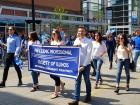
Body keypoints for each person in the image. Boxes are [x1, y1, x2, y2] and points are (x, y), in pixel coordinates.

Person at [68, 26, 92, 105]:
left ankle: (88, 95)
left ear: (85, 32)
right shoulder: (76, 40)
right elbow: (74, 52)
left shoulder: (88, 41)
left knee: (87, 81)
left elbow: (88, 55)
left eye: (82, 31)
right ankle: (76, 100)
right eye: (79, 31)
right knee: (77, 82)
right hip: (77, 65)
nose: (80, 33)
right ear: (77, 32)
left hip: (86, 65)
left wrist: (84, 66)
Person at [50, 29, 65, 99]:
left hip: (59, 62)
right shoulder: (52, 42)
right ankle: (62, 84)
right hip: (53, 61)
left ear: (57, 34)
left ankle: (56, 92)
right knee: (52, 75)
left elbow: (65, 52)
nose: (52, 35)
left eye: (54, 34)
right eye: (52, 34)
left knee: (56, 77)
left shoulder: (61, 42)